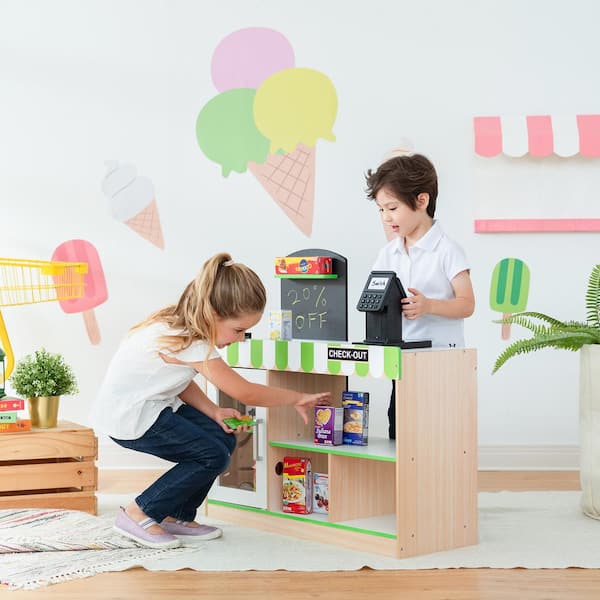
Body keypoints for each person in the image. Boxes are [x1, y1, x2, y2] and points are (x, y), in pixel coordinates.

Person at [92, 253, 331, 549]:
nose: (240, 338)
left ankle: (177, 515)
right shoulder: (189, 340)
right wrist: (296, 397)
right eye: (238, 330)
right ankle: (139, 512)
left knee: (221, 438)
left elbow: (178, 381)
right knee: (211, 456)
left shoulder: (179, 329)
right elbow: (245, 392)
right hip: (131, 417)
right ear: (212, 314)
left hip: (152, 407)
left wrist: (214, 411)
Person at [365, 152, 475, 439]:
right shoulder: (388, 253)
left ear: (421, 201)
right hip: (402, 362)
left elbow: (467, 304)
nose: (386, 217)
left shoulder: (447, 250)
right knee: (399, 431)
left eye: (392, 208)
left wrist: (429, 306)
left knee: (438, 433)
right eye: (381, 210)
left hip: (440, 361)